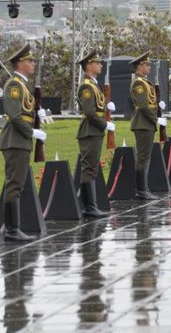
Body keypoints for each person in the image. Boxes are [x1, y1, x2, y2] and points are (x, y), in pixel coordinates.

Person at [0, 45, 45, 240]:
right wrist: (32, 132)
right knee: (14, 184)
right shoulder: (15, 85)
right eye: (30, 61)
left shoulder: (23, 85)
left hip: (20, 140)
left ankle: (13, 228)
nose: (33, 64)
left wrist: (38, 114)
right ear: (20, 64)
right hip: (15, 140)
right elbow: (15, 116)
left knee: (17, 184)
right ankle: (11, 229)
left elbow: (25, 112)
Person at [75, 49, 113, 217]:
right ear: (89, 66)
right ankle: (89, 207)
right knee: (89, 169)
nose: (100, 65)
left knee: (91, 168)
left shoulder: (94, 84)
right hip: (90, 131)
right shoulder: (87, 86)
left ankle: (86, 205)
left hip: (94, 131)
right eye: (97, 62)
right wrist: (105, 124)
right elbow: (90, 113)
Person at [128, 52, 161, 199]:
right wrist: (155, 119)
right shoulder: (139, 83)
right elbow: (143, 105)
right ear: (140, 66)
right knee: (143, 157)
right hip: (143, 123)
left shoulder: (144, 82)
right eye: (147, 65)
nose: (149, 67)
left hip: (146, 122)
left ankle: (144, 188)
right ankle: (142, 190)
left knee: (145, 156)